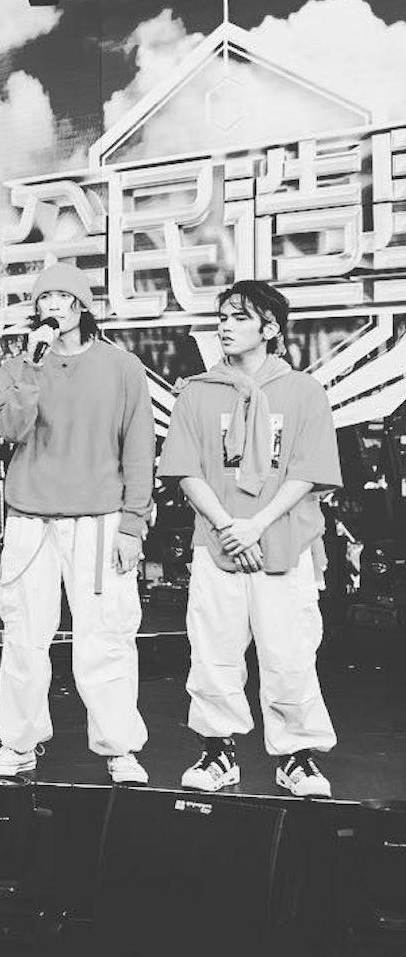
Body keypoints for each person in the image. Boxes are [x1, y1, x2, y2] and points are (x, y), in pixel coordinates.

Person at [160, 281, 339, 797]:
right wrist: (228, 527)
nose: (226, 326)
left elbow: (309, 471)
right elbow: (185, 470)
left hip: (286, 542)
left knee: (291, 656)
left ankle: (296, 758)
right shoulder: (197, 392)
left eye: (240, 318)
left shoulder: (303, 391)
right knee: (213, 654)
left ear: (270, 328)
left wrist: (256, 525)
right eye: (222, 317)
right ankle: (218, 753)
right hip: (217, 544)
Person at [0, 261, 153, 783]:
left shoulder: (121, 367)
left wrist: (132, 524)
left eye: (63, 296)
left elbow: (139, 447)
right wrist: (31, 369)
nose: (53, 305)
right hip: (31, 519)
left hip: (99, 519)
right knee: (24, 637)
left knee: (106, 637)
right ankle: (18, 744)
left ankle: (120, 748)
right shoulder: (19, 364)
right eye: (45, 298)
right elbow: (12, 430)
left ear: (82, 305)